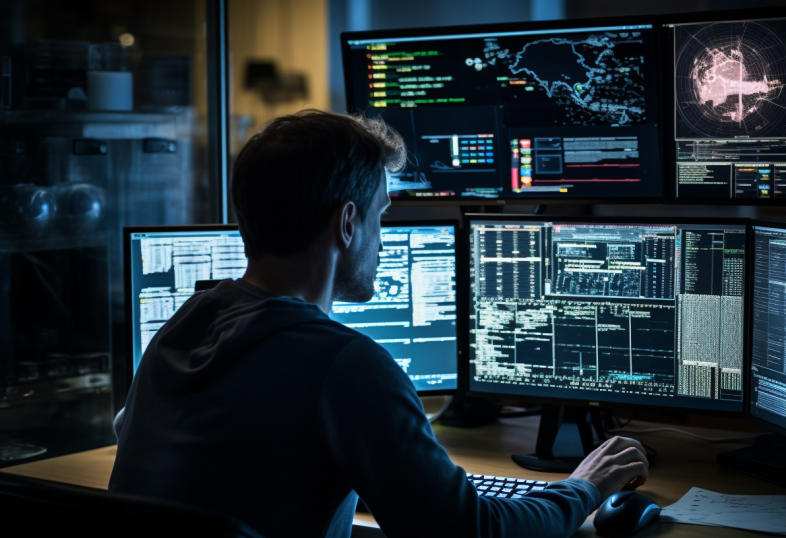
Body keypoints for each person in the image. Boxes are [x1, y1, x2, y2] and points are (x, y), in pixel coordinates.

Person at [109, 110, 649, 537]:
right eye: (381, 214)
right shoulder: (344, 365)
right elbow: (469, 529)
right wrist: (585, 488)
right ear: (347, 223)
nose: (383, 238)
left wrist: (379, 473)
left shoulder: (179, 330)